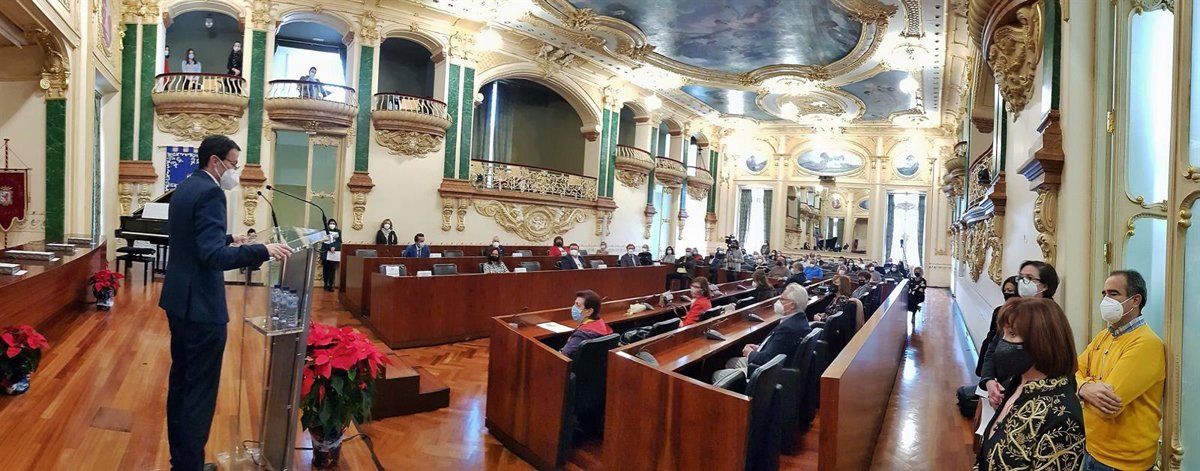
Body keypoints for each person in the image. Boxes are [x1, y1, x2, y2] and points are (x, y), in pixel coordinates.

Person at [159, 135, 291, 471]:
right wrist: (261, 250)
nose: (235, 171)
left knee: (182, 384)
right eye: (233, 164)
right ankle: (190, 466)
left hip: (179, 300)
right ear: (215, 161)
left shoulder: (185, 186)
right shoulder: (211, 192)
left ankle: (183, 463)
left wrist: (230, 238)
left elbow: (192, 239)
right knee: (200, 392)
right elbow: (212, 257)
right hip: (201, 307)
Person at [975, 297, 1084, 471]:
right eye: (1003, 333)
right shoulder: (1017, 382)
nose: (1002, 342)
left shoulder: (1062, 414)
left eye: (1012, 334)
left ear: (1041, 342)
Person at [1076, 270, 1165, 471]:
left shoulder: (1146, 344)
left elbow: (1107, 406)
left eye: (1113, 293)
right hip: (1092, 449)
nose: (1105, 300)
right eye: (1104, 293)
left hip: (1124, 462)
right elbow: (1070, 371)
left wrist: (1080, 385)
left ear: (1135, 300)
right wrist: (1085, 388)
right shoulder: (1103, 336)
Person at [979, 261, 1060, 408]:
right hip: (1000, 391)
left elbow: (1045, 366)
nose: (1023, 282)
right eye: (1021, 277)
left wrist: (1009, 393)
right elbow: (992, 348)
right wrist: (989, 380)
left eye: (1029, 278)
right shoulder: (1013, 311)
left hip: (1030, 399)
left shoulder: (1051, 318)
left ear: (1045, 286)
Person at [712, 283, 812, 383]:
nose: (778, 302)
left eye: (782, 299)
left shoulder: (788, 328)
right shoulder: (800, 320)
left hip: (767, 374)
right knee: (731, 362)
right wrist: (759, 347)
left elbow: (768, 359)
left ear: (792, 305)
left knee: (717, 375)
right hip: (773, 363)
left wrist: (750, 353)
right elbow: (778, 347)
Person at [974, 276, 1019, 378]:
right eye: (1005, 290)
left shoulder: (1023, 315)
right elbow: (992, 334)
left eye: (1010, 291)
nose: (1006, 293)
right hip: (991, 349)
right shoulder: (999, 310)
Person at [560, 290, 614, 358]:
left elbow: (564, 356)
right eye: (574, 304)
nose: (573, 308)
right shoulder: (601, 324)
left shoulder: (581, 335)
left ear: (589, 311)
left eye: (578, 305)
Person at [320, 218, 341, 291]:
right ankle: (326, 284)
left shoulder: (338, 231)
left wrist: (334, 247)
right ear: (328, 224)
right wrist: (330, 247)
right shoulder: (324, 231)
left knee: (332, 269)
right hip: (326, 252)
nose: (332, 225)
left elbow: (339, 242)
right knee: (325, 269)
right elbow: (324, 241)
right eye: (331, 223)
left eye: (333, 223)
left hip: (333, 253)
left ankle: (331, 285)